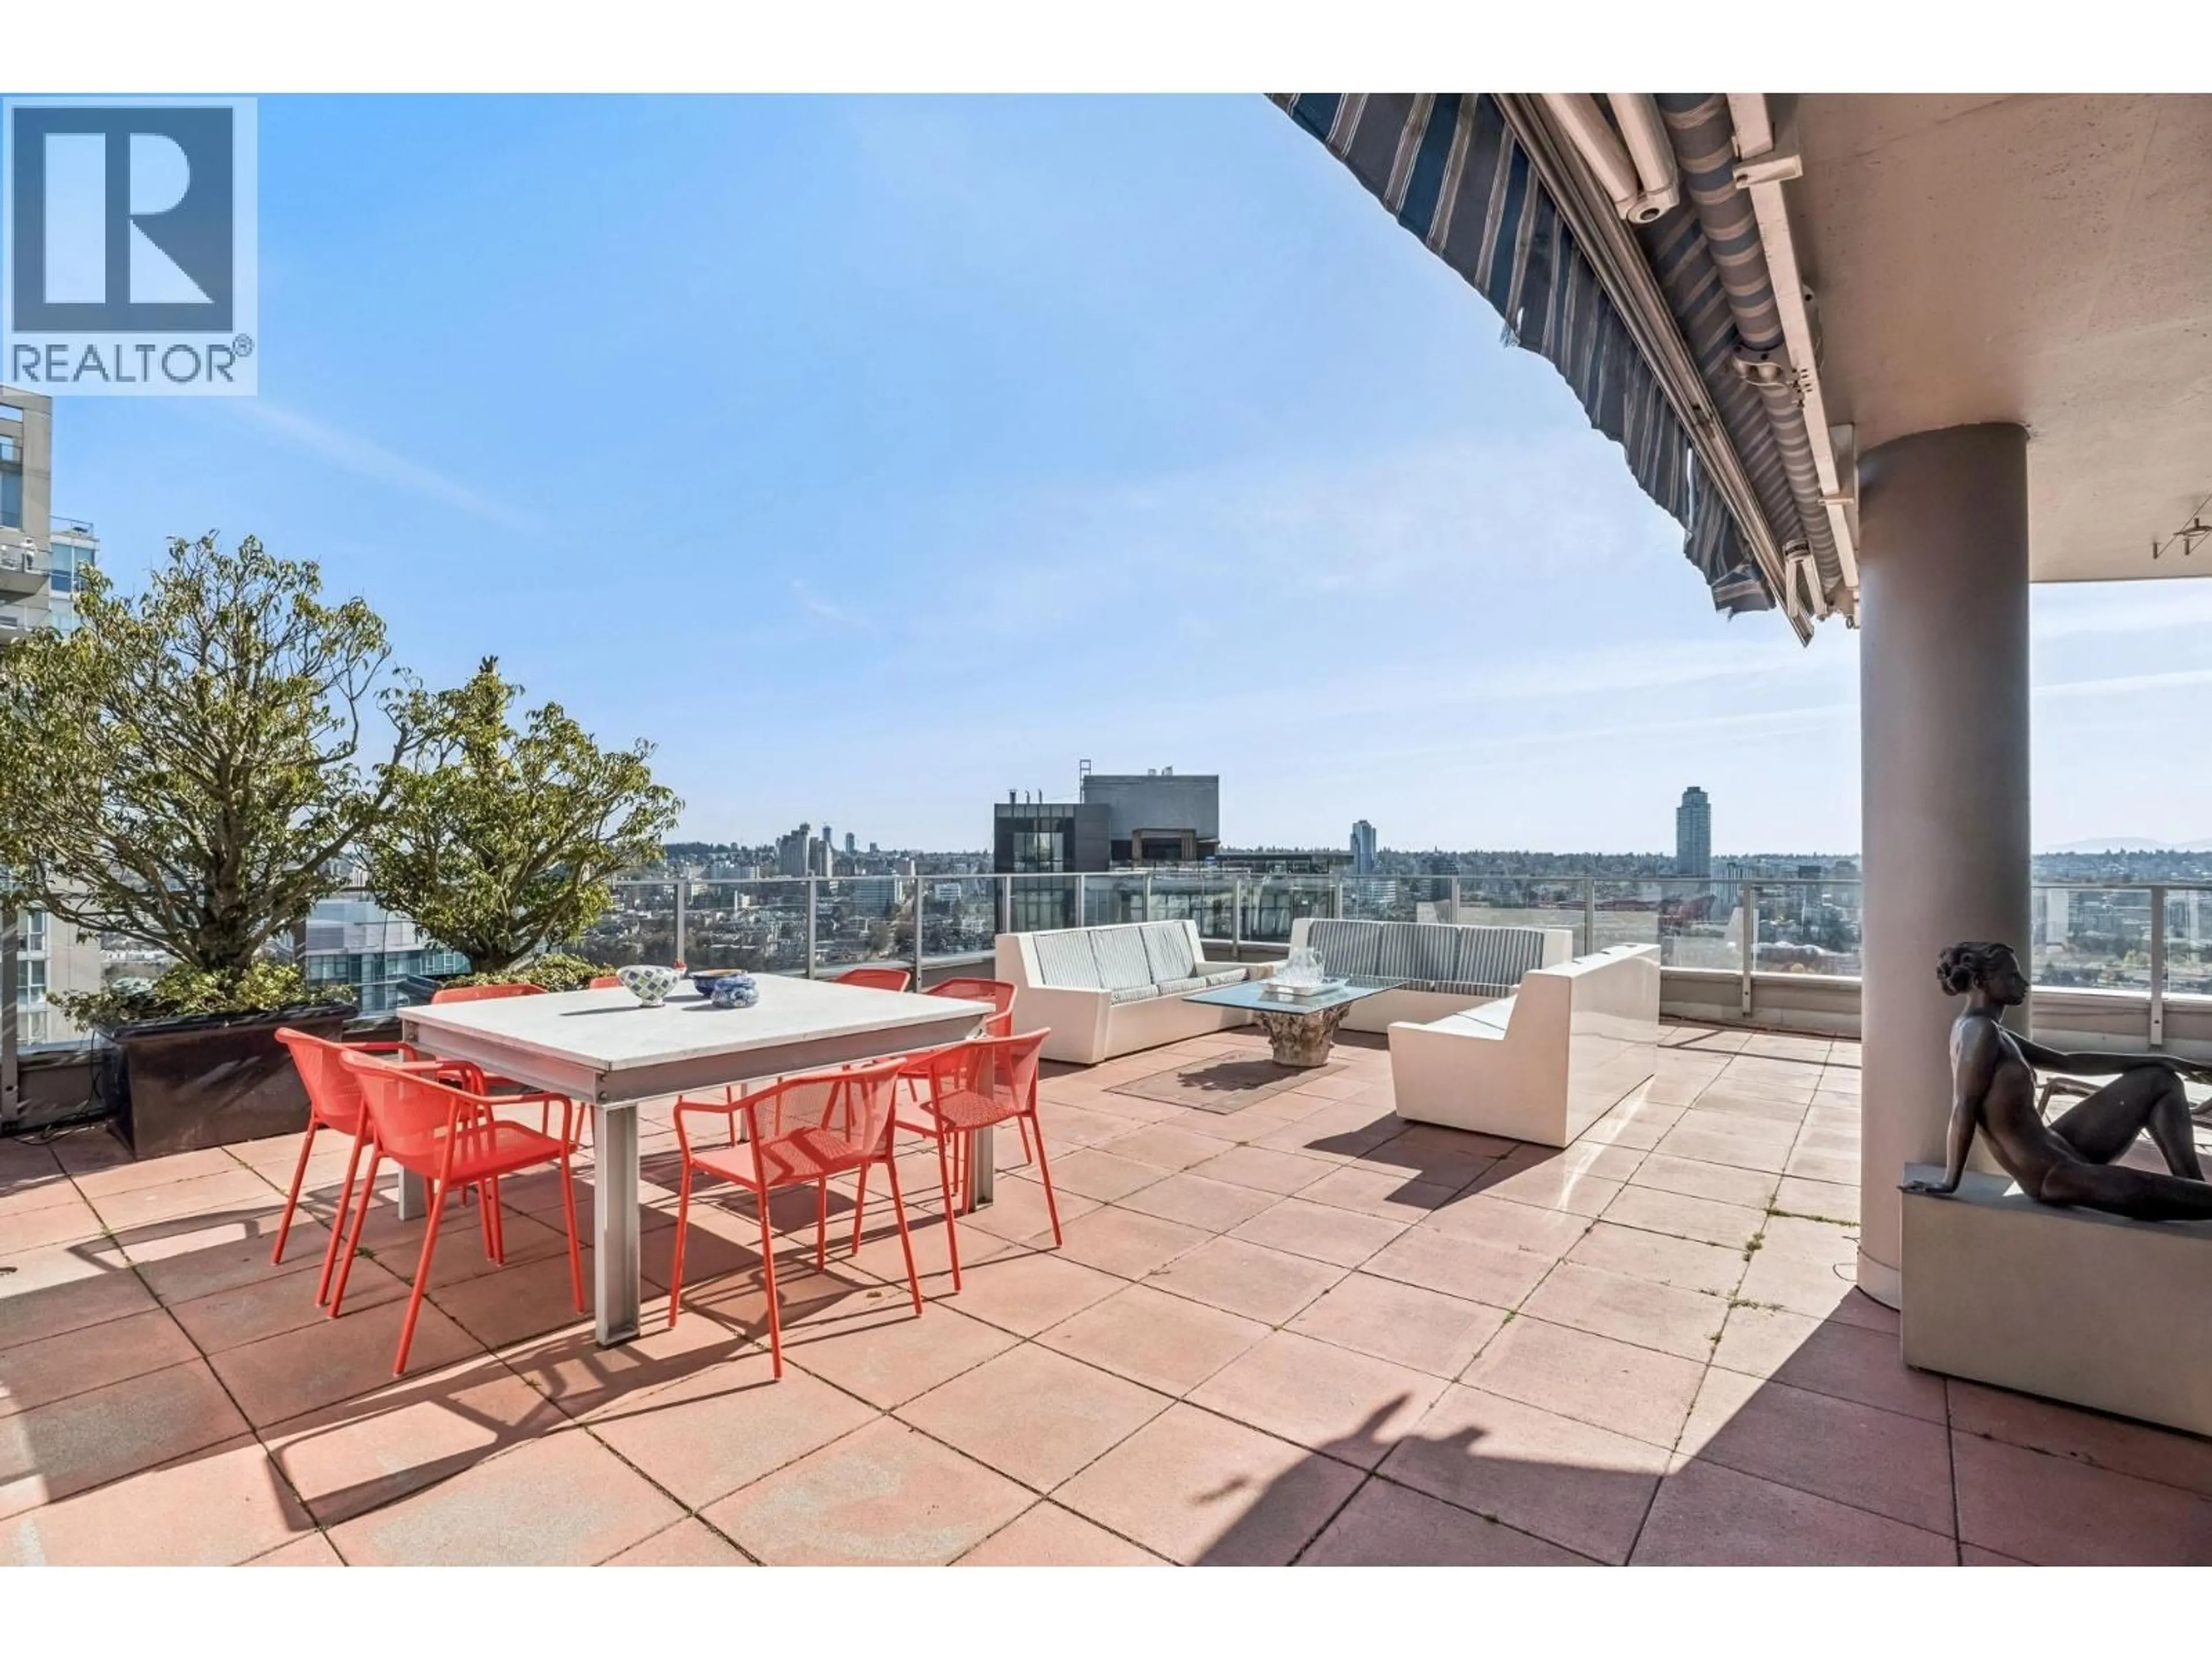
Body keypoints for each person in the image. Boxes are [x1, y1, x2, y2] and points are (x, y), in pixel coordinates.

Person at [1905, 941, 2212, 1220]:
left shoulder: (1991, 1030)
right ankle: (2195, 1192)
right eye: (2013, 976)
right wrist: (1949, 1181)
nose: (2024, 984)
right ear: (1980, 981)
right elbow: (1964, 1106)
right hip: (2050, 1174)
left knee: (2159, 1079)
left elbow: (2068, 1062)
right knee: (2149, 1190)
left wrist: (2161, 1059)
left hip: (2060, 1145)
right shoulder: (1978, 1032)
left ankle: (2191, 1179)